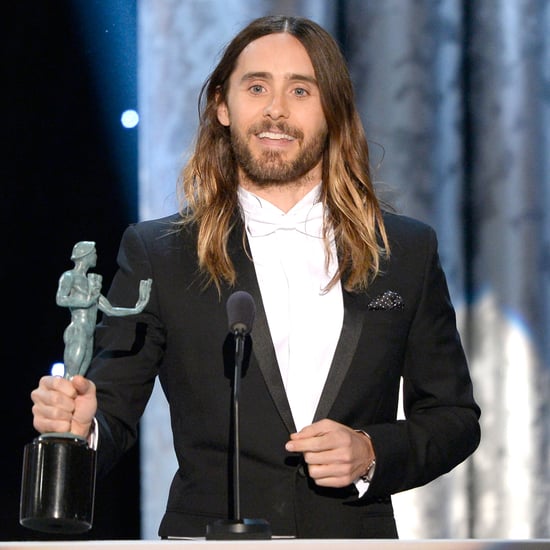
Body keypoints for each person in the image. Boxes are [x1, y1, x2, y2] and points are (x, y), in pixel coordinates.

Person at [31, 15, 480, 539]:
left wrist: (371, 451)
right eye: (257, 86)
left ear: (331, 109)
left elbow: (453, 418)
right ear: (223, 105)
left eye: (300, 90)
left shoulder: (404, 250)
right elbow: (111, 410)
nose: (275, 109)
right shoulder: (160, 251)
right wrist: (81, 428)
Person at [55, 241, 152, 379]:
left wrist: (137, 308)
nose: (95, 256)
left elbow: (110, 310)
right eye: (93, 253)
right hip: (78, 330)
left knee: (78, 380)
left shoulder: (91, 284)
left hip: (89, 334)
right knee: (70, 376)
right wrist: (86, 302)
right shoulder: (70, 277)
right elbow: (61, 299)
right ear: (85, 255)